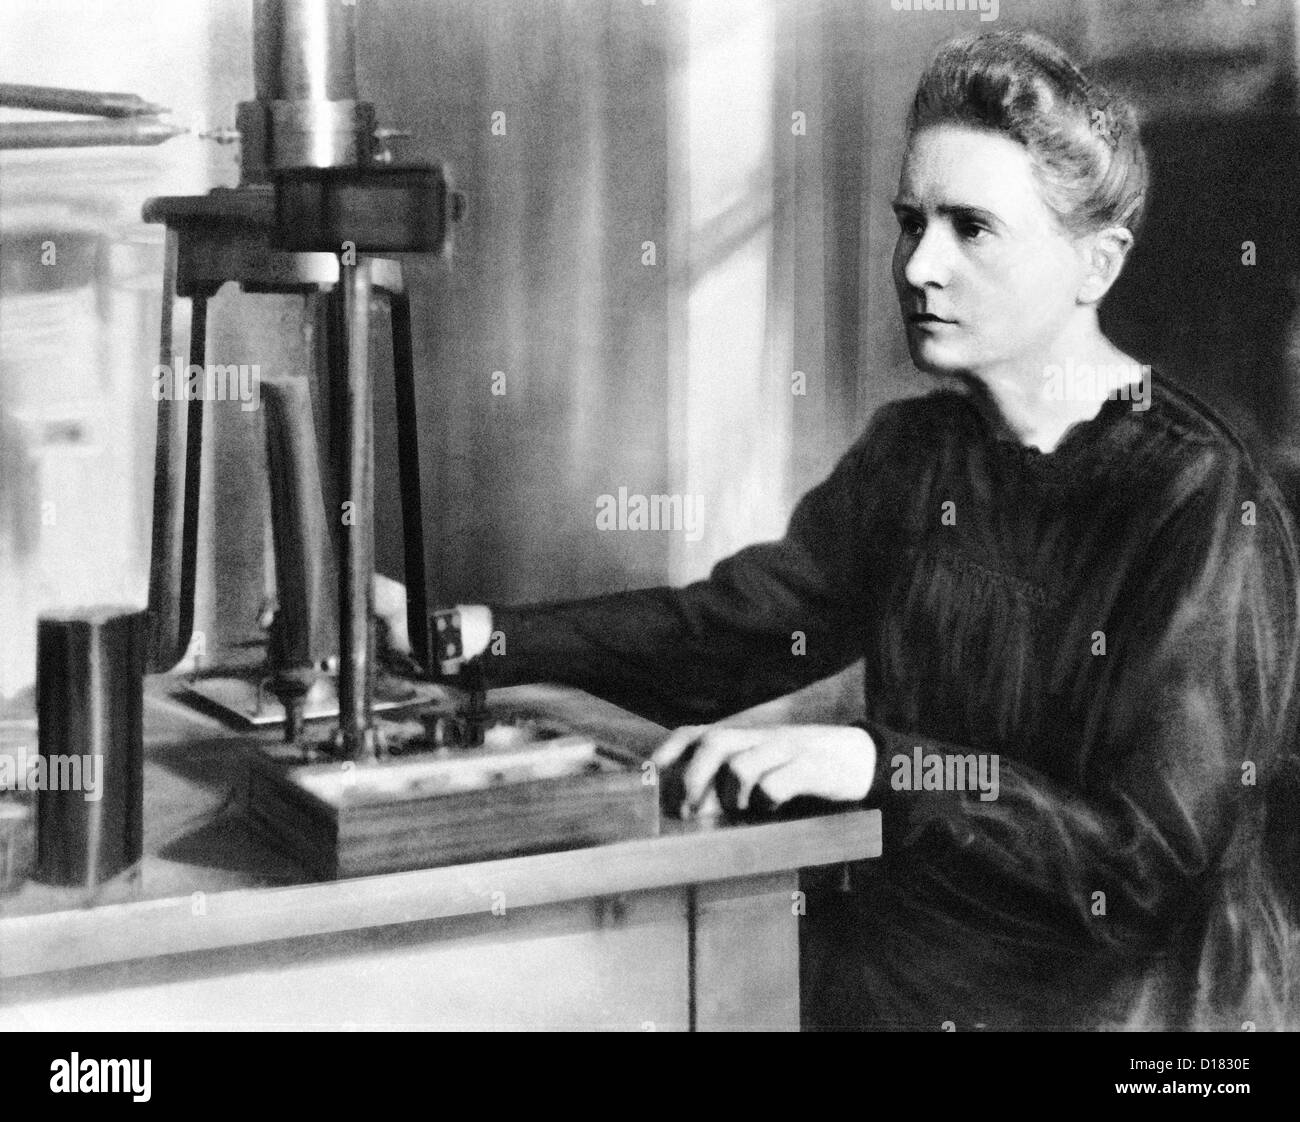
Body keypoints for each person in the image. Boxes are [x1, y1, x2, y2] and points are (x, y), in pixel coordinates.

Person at [379, 29, 1300, 1031]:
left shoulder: (1198, 498)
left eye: (971, 228)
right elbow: (728, 634)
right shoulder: (915, 454)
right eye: (911, 222)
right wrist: (474, 638)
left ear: (1096, 262)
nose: (919, 265)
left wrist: (877, 766)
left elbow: (1140, 863)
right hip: (913, 992)